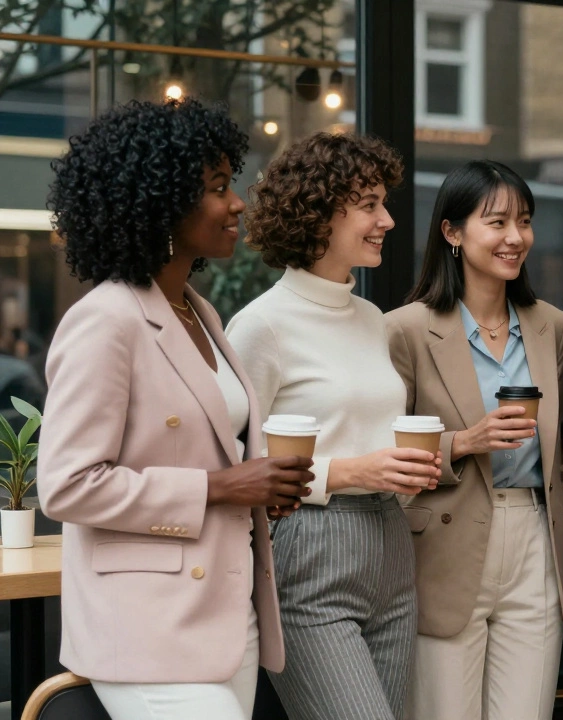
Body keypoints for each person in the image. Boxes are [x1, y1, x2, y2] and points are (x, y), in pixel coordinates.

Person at [38, 99, 313, 720]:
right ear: (160, 204)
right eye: (218, 188)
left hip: (227, 616)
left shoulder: (198, 311)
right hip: (146, 629)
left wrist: (260, 486)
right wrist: (219, 486)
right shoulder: (105, 321)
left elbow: (203, 447)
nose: (238, 202)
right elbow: (66, 486)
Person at [227, 132, 440, 720]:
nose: (388, 220)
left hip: (391, 543)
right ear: (319, 210)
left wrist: (401, 468)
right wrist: (349, 471)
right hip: (309, 551)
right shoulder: (260, 327)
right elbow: (233, 466)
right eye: (369, 204)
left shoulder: (371, 318)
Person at [385, 160, 563, 720]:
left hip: (535, 537)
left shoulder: (551, 324)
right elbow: (389, 455)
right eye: (496, 222)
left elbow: (557, 453)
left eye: (525, 221)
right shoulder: (406, 330)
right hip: (444, 543)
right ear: (452, 231)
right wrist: (463, 443)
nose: (515, 238)